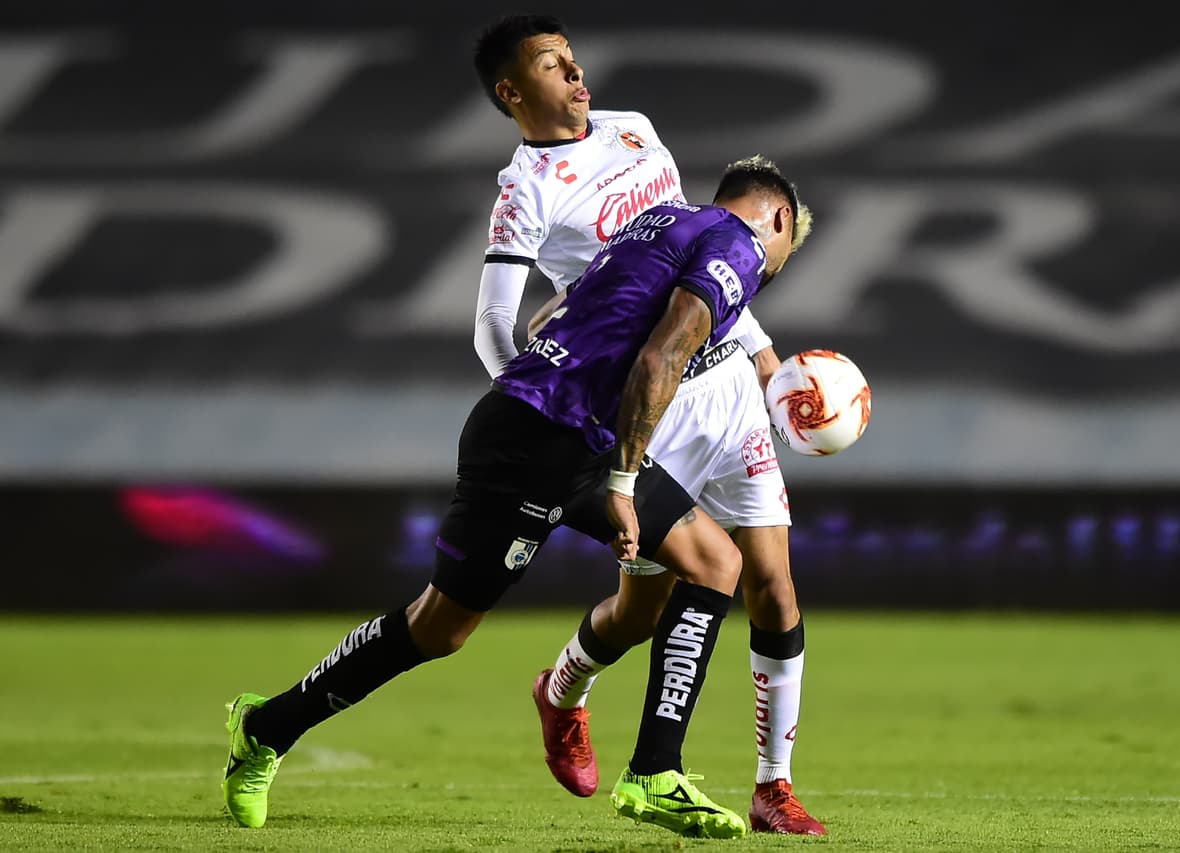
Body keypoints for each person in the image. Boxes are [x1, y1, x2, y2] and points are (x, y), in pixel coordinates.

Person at [221, 157, 807, 841]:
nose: (771, 273)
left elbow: (554, 313)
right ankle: (265, 726)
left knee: (712, 561)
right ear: (779, 221)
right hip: (535, 444)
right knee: (438, 628)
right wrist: (624, 481)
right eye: (783, 259)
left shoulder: (659, 220)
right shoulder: (739, 243)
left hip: (574, 436)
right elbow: (661, 357)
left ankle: (654, 770)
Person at [470, 14, 825, 834]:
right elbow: (496, 325)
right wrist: (542, 410)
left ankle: (773, 785)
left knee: (770, 580)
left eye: (573, 59)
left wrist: (765, 358)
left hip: (725, 384)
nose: (579, 74)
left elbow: (705, 260)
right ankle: (561, 687)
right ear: (512, 90)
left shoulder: (635, 132)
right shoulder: (526, 190)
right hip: (647, 403)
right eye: (555, 65)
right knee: (641, 609)